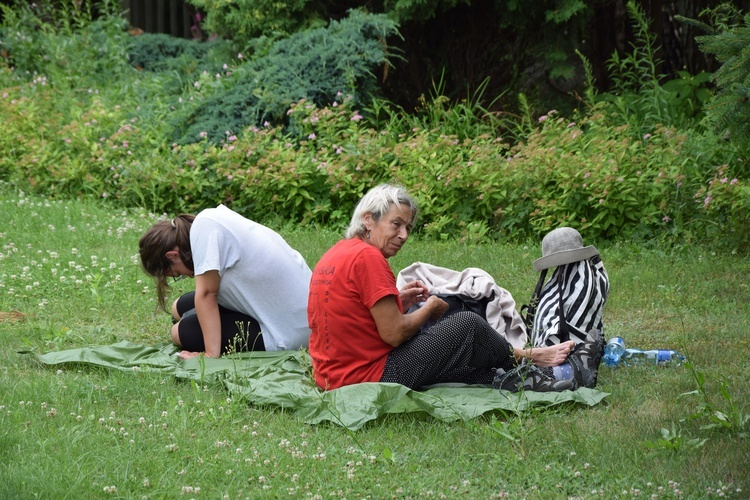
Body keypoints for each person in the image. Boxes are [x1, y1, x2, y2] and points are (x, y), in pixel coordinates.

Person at [307, 184, 577, 392]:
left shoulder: (337, 254)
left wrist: (398, 300)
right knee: (466, 324)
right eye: (396, 224)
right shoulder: (369, 258)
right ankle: (524, 357)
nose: (403, 235)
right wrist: (431, 308)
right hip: (370, 376)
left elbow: (352, 313)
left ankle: (521, 380)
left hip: (331, 377)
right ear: (368, 220)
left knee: (459, 365)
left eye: (408, 227)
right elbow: (394, 334)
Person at [139, 204, 312, 359]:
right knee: (178, 307)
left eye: (177, 273)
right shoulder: (209, 220)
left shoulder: (205, 230)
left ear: (172, 255)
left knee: (180, 332)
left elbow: (207, 294)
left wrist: (209, 354)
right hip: (300, 310)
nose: (189, 276)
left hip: (289, 332)